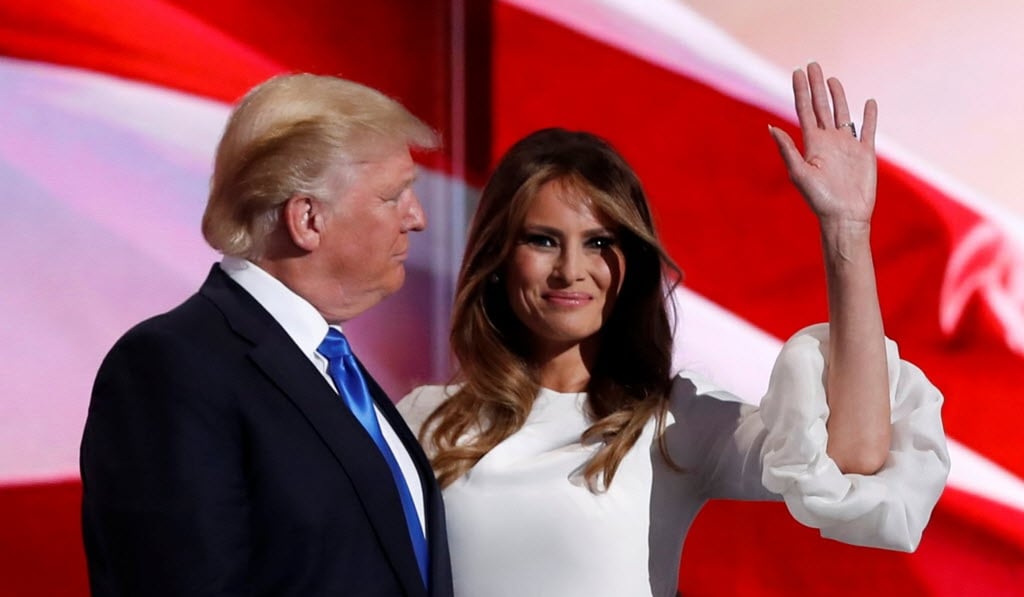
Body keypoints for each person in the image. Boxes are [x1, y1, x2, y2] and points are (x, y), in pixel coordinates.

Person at [397, 63, 950, 596]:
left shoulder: (677, 421)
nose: (570, 270)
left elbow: (851, 457)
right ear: (497, 258)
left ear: (632, 262)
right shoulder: (422, 419)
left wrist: (845, 232)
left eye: (599, 242)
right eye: (542, 240)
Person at [81, 73, 454, 596]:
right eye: (394, 196)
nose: (416, 218)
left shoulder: (329, 364)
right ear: (307, 219)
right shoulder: (171, 367)